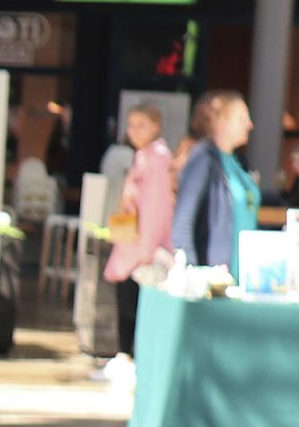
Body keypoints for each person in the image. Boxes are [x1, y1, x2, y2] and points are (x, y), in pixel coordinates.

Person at [99, 100, 175, 368]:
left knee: (134, 307)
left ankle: (131, 360)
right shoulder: (144, 156)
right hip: (134, 244)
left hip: (143, 249)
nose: (134, 131)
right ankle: (127, 358)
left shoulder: (156, 158)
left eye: (142, 125)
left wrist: (146, 250)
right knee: (127, 304)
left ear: (156, 126)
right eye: (131, 125)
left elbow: (155, 207)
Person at [170, 88, 258, 279]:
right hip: (215, 276)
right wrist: (191, 270)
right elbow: (184, 219)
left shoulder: (236, 161)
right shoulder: (204, 158)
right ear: (220, 121)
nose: (250, 124)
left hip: (239, 275)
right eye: (242, 118)